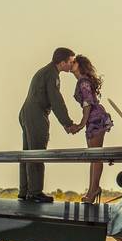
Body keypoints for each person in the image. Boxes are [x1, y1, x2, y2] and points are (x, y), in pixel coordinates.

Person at [18, 47, 77, 203]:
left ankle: (24, 191)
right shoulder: (52, 75)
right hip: (36, 114)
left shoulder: (44, 71)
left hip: (26, 112)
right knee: (37, 153)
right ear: (62, 62)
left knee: (27, 154)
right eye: (70, 62)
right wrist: (68, 123)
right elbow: (56, 100)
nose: (72, 65)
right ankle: (35, 192)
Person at [70, 55, 114, 203]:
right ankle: (92, 189)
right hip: (93, 120)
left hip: (95, 119)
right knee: (93, 157)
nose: (72, 63)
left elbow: (88, 103)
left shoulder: (83, 81)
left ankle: (93, 190)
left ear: (80, 65)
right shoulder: (82, 81)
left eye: (74, 62)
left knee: (95, 157)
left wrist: (82, 123)